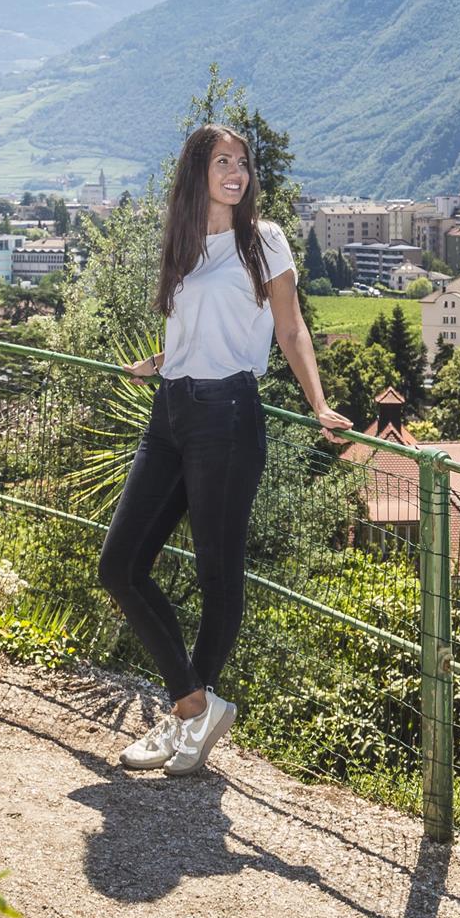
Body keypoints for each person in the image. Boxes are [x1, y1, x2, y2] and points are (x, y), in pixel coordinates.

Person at [99, 123, 351, 776]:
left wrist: (320, 404)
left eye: (242, 162)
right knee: (120, 566)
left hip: (229, 417)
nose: (235, 172)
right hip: (172, 411)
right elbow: (199, 321)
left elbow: (289, 328)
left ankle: (187, 715)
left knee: (218, 573)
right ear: (196, 171)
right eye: (222, 161)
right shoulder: (182, 241)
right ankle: (192, 707)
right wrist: (163, 358)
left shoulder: (262, 240)